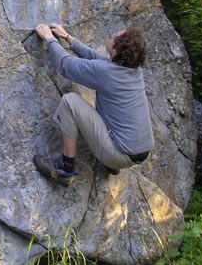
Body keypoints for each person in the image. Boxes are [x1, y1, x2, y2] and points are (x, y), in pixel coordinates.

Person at [33, 23, 155, 187]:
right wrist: (68, 38)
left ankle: (65, 170)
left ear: (117, 50)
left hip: (119, 153)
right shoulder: (133, 69)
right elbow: (96, 58)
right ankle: (111, 164)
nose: (111, 37)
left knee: (70, 101)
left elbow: (66, 65)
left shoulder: (106, 72)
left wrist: (49, 39)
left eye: (114, 37)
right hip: (140, 152)